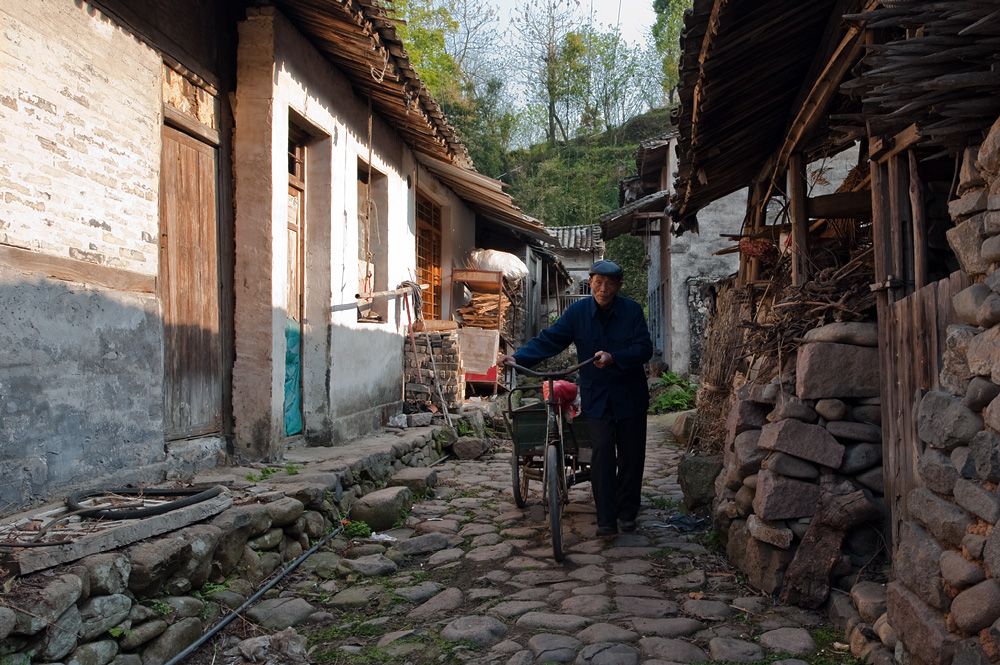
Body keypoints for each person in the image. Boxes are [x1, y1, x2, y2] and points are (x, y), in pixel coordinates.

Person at [498, 260, 653, 537]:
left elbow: (643, 348)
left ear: (618, 286)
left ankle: (627, 512)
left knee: (631, 456)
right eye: (598, 282)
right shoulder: (578, 312)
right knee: (602, 453)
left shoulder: (632, 311)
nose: (603, 289)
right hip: (597, 396)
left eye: (609, 283)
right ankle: (606, 520)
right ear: (590, 282)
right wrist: (517, 357)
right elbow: (550, 340)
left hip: (630, 394)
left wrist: (614, 358)